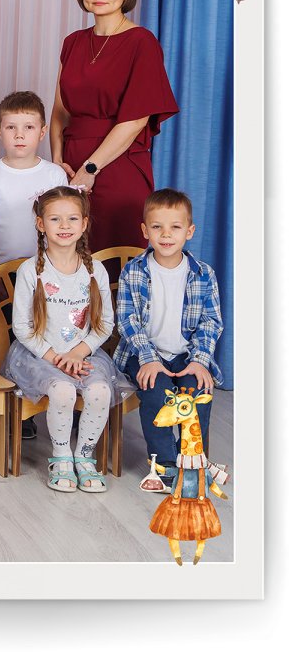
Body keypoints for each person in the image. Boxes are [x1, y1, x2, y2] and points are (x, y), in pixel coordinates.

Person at [49, 0, 178, 251]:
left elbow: (136, 120)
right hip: (72, 164)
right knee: (71, 255)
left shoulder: (142, 42)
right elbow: (60, 110)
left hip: (119, 163)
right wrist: (57, 162)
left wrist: (91, 168)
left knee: (116, 253)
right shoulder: (73, 42)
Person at [3, 186, 119, 493]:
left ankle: (85, 457)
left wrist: (78, 353)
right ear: (41, 224)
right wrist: (56, 358)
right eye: (55, 219)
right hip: (39, 356)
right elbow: (22, 327)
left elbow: (105, 324)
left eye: (72, 219)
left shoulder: (95, 271)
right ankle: (62, 458)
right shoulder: (31, 271)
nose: (64, 226)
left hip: (84, 354)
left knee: (100, 391)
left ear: (84, 223)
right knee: (63, 390)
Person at [115, 189, 223, 492]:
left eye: (175, 227)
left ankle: (191, 461)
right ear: (145, 230)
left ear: (189, 231)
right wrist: (149, 359)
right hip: (143, 353)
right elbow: (128, 320)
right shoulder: (133, 271)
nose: (166, 234)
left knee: (198, 391)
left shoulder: (203, 274)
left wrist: (199, 362)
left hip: (186, 354)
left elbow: (210, 322)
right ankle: (164, 466)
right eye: (157, 227)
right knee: (157, 391)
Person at [0, 91, 68, 268]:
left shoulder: (55, 175)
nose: (19, 135)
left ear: (42, 132)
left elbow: (64, 225)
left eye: (29, 127)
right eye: (11, 127)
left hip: (45, 270)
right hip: (0, 271)